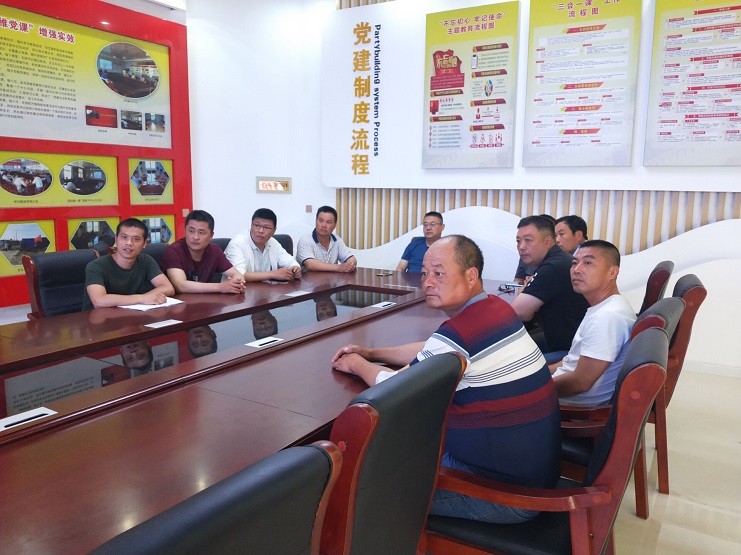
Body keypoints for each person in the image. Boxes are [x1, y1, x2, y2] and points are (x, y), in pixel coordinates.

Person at [332, 235, 560, 524]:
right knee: (393, 453)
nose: (427, 282)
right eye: (424, 273)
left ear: (471, 275)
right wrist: (372, 352)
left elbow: (394, 389)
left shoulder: (461, 332)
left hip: (504, 493)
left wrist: (356, 363)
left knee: (363, 487)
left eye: (439, 273)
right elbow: (435, 348)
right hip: (531, 473)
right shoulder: (496, 309)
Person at [550, 240, 636, 406]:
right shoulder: (605, 306)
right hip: (562, 390)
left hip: (572, 405)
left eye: (588, 263)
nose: (577, 269)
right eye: (574, 263)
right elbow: (571, 361)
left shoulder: (607, 316)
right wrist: (539, 375)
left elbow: (580, 383)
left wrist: (535, 389)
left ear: (612, 272)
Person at [511, 215, 589, 361]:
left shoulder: (553, 266)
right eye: (518, 241)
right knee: (511, 345)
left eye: (528, 240)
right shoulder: (558, 259)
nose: (521, 246)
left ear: (547, 241)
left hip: (570, 351)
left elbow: (520, 313)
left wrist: (525, 290)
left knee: (508, 358)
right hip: (561, 339)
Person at [82, 218, 175, 310]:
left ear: (144, 243)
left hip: (130, 315)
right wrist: (142, 298)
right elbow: (99, 301)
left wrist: (146, 298)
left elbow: (168, 288)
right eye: (124, 237)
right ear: (116, 239)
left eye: (136, 239)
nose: (129, 243)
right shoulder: (96, 266)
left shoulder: (146, 261)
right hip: (97, 317)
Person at [162, 210, 246, 294]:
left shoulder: (214, 251)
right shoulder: (174, 251)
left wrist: (237, 284)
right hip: (179, 301)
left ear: (211, 235)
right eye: (191, 231)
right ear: (185, 230)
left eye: (201, 233)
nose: (195, 237)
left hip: (206, 300)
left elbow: (236, 274)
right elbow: (181, 286)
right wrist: (220, 287)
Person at [225, 208, 301, 282]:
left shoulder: (272, 242)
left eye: (266, 227)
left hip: (267, 288)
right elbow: (238, 275)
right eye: (257, 225)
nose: (260, 231)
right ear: (251, 225)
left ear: (274, 230)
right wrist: (272, 274)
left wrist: (294, 267)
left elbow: (289, 261)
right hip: (239, 289)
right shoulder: (237, 244)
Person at [296, 206, 357, 272]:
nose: (324, 225)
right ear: (316, 221)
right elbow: (310, 265)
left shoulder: (337, 240)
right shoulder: (305, 240)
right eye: (321, 221)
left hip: (332, 278)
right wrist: (339, 267)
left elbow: (352, 259)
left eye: (328, 222)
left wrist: (349, 265)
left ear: (335, 225)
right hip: (309, 278)